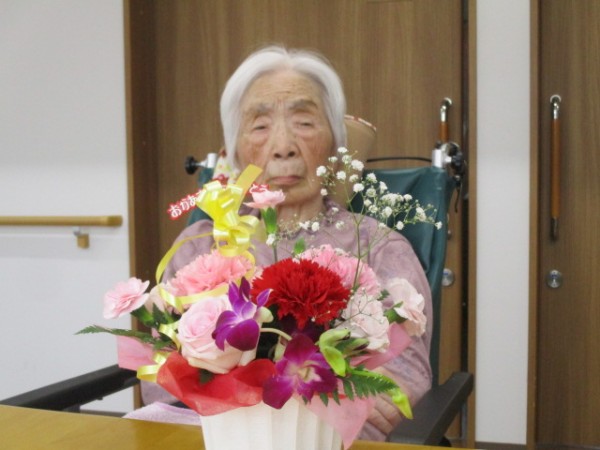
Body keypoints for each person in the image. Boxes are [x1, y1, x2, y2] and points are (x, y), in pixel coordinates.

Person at [150, 45, 433, 442]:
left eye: (304, 122)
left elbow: (403, 381)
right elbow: (159, 375)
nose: (283, 145)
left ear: (335, 144)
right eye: (260, 127)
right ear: (233, 153)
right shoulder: (199, 247)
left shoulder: (381, 247)